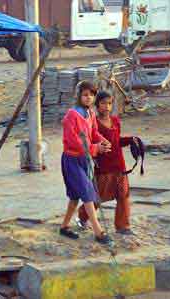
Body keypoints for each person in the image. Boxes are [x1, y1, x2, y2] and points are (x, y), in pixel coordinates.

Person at [60, 81, 112, 244]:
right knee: (88, 194)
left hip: (86, 159)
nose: (88, 97)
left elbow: (94, 132)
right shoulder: (71, 115)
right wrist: (96, 148)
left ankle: (64, 227)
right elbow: (74, 141)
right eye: (85, 94)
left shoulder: (89, 113)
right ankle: (98, 232)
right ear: (79, 96)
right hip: (72, 159)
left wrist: (103, 141)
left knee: (75, 197)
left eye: (91, 94)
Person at [76, 91, 134, 235]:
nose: (106, 107)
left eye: (109, 103)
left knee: (123, 194)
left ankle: (123, 226)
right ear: (97, 105)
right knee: (98, 197)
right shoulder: (93, 123)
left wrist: (131, 140)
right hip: (103, 167)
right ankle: (82, 215)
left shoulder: (115, 121)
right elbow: (88, 144)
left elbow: (116, 142)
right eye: (103, 103)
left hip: (119, 165)